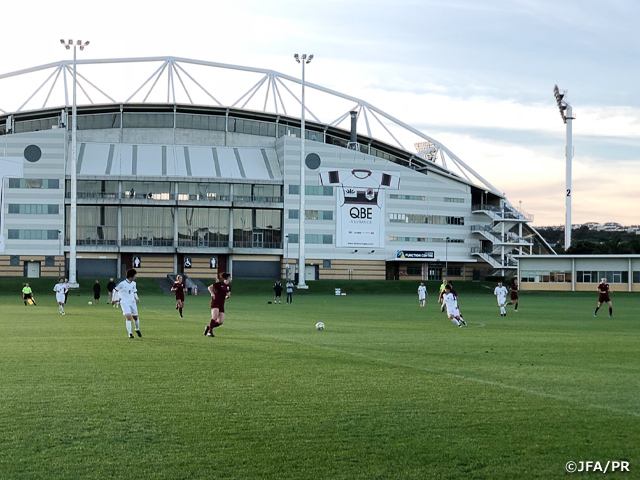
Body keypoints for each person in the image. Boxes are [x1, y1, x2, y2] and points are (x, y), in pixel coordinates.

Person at [115, 268, 142, 338]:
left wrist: (137, 298)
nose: (135, 277)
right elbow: (115, 290)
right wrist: (115, 299)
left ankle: (137, 329)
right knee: (128, 316)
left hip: (132, 302)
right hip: (124, 302)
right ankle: (130, 333)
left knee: (135, 317)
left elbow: (134, 291)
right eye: (135, 275)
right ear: (131, 276)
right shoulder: (122, 283)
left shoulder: (133, 283)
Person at [204, 273, 232, 337]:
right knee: (214, 317)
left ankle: (209, 327)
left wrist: (227, 296)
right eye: (230, 277)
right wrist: (212, 293)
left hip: (221, 304)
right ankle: (210, 332)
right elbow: (209, 287)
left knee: (220, 321)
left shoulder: (229, 287)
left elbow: (227, 295)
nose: (231, 279)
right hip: (215, 302)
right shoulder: (219, 284)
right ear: (227, 278)